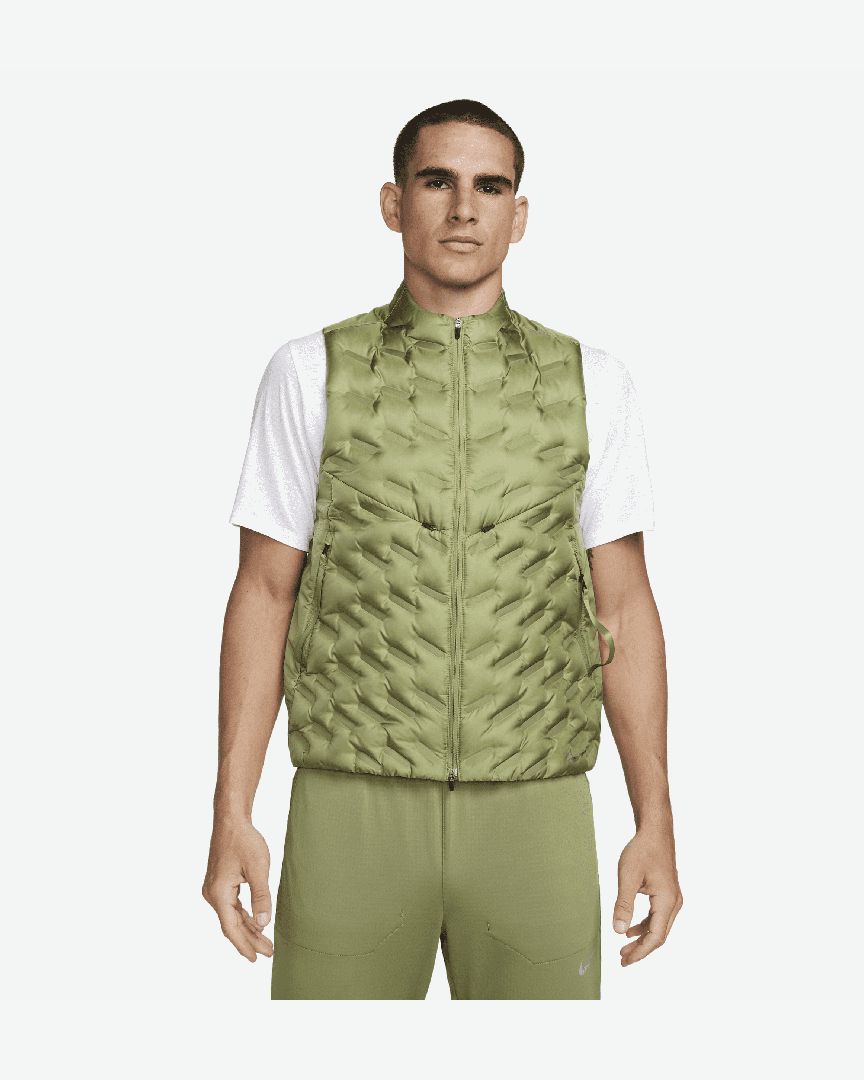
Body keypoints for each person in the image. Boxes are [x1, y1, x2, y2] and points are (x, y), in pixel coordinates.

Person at [202, 98, 683, 1000]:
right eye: (438, 181)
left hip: (535, 810)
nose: (464, 209)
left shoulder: (594, 384)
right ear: (394, 203)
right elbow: (264, 594)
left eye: (489, 187)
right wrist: (232, 810)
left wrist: (654, 818)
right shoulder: (311, 372)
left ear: (518, 214)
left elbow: (623, 606)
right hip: (351, 806)